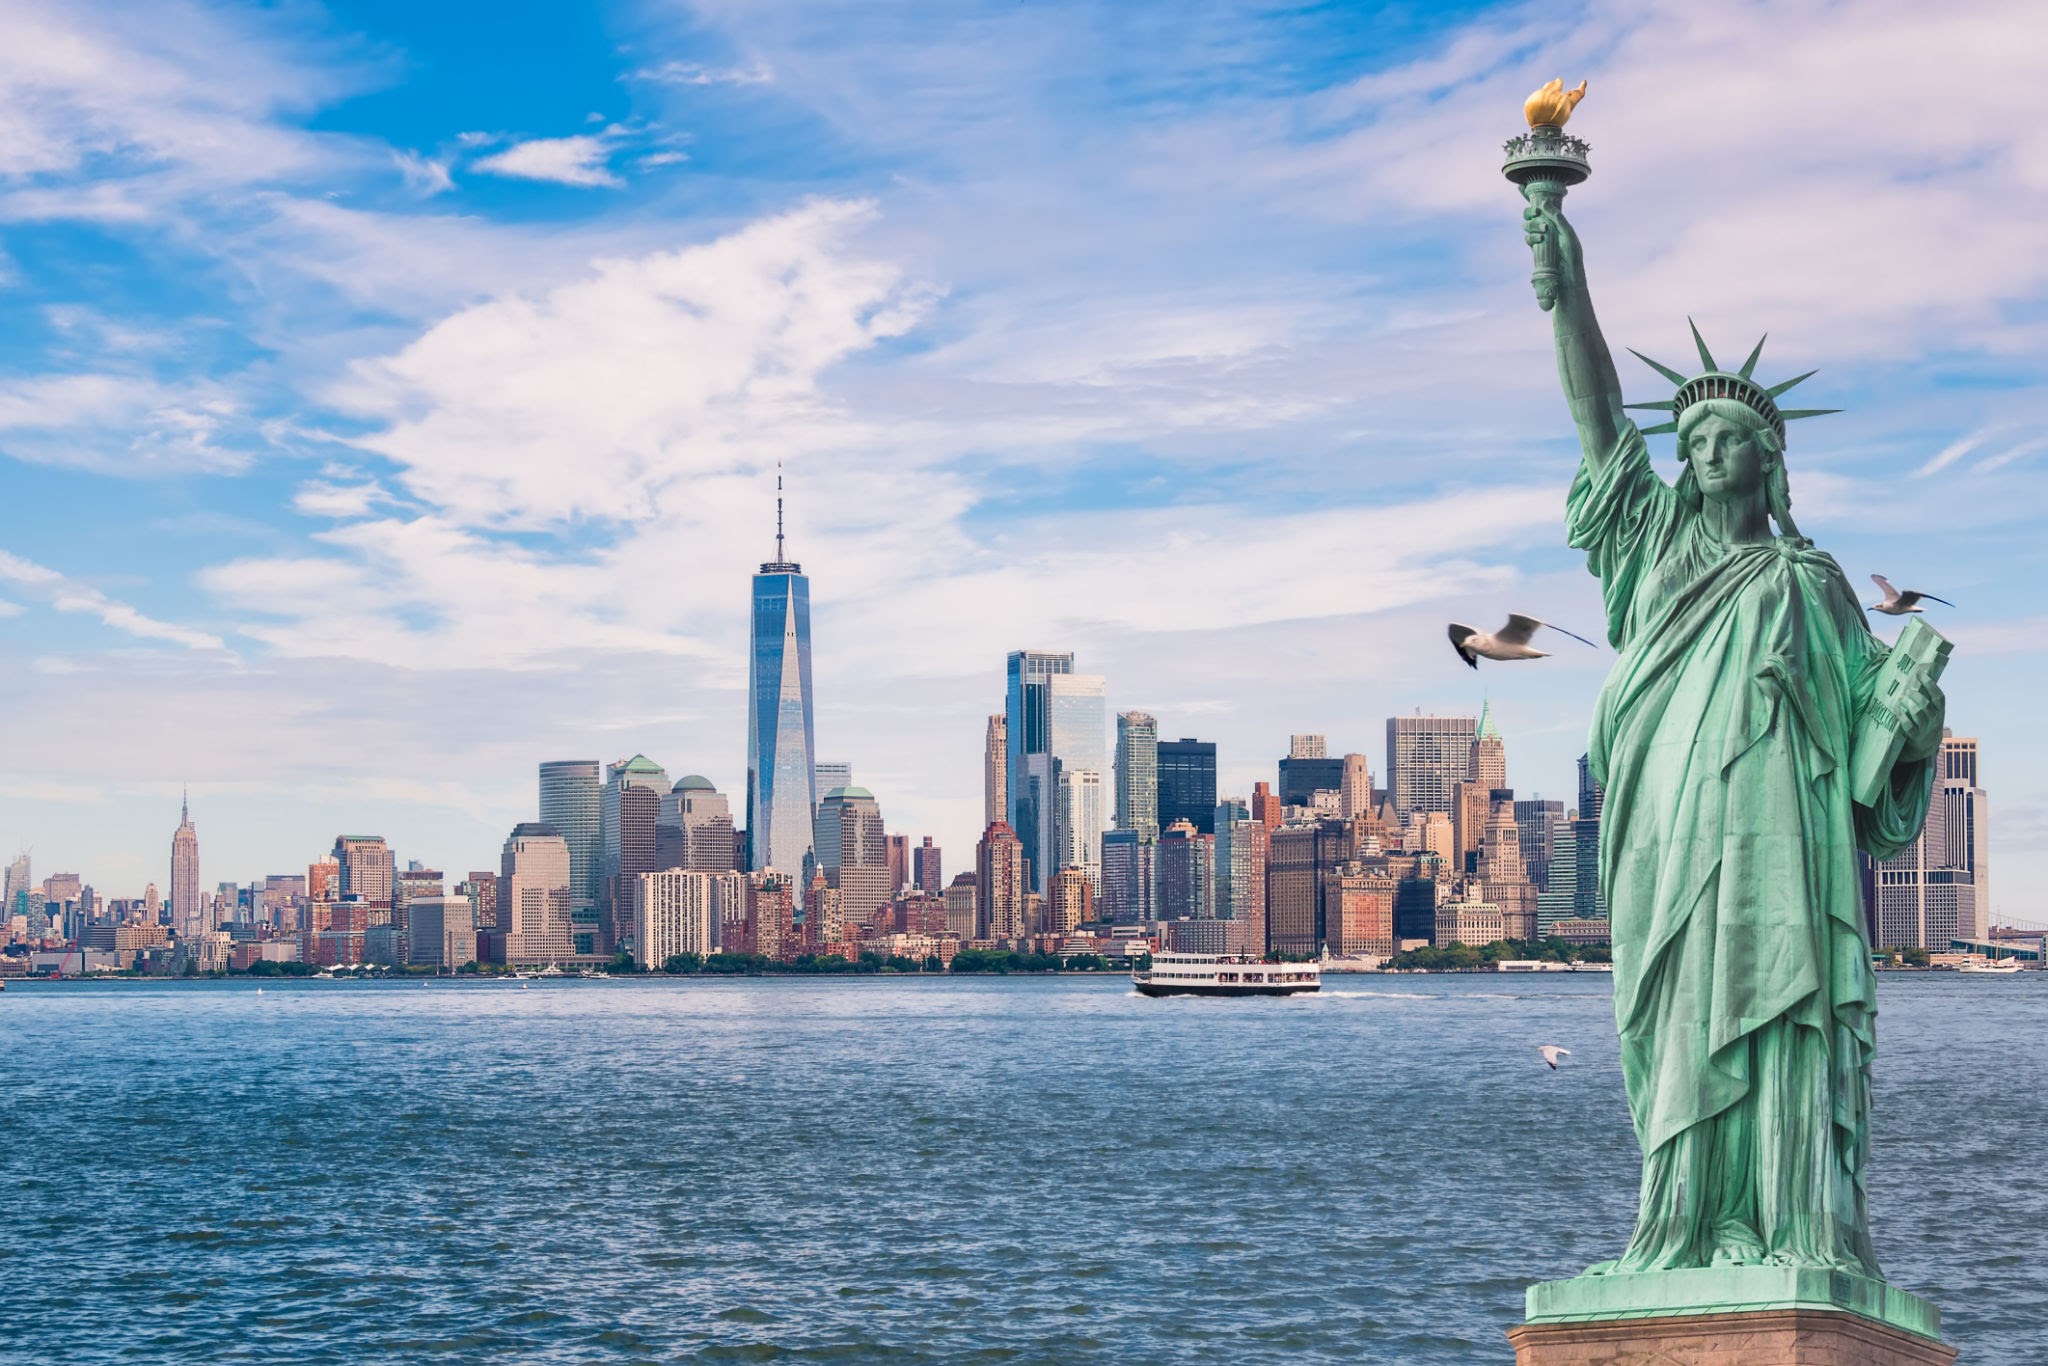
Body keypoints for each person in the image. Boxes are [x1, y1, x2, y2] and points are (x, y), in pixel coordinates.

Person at [1521, 187, 1946, 1275]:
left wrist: (1910, 709)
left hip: (1779, 833)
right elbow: (1596, 412)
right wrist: (1560, 270)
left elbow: (1865, 744)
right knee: (1672, 1009)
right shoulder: (1649, 542)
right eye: (1693, 436)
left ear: (1767, 459)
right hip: (1667, 812)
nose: (1703, 450)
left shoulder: (1812, 579)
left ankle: (1787, 1222)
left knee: (1775, 1011)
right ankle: (1681, 1220)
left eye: (1725, 438)